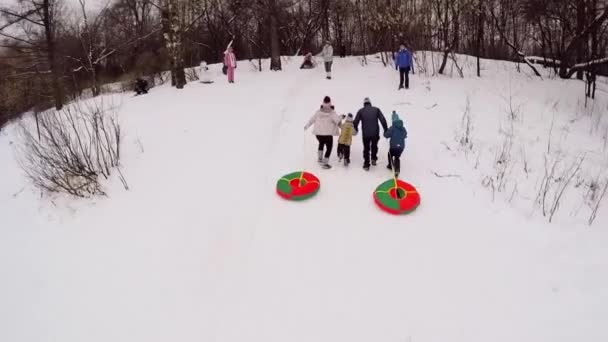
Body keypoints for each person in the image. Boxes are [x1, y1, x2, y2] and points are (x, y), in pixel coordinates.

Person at [304, 96, 341, 169]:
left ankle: (320, 158)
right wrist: (341, 118)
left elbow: (312, 119)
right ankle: (325, 163)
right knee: (329, 147)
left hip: (318, 134)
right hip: (327, 134)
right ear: (330, 102)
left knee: (321, 142)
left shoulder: (318, 111)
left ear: (323, 102)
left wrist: (306, 126)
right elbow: (337, 121)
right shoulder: (332, 112)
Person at [353, 97, 388, 170]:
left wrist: (356, 129)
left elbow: (355, 121)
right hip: (375, 133)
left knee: (366, 148)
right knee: (374, 145)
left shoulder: (361, 111)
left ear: (364, 104)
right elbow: (383, 120)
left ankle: (366, 164)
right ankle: (373, 158)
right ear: (370, 103)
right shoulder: (376, 109)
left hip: (365, 134)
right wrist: (385, 129)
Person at [384, 111, 408, 177]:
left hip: (393, 146)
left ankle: (390, 165)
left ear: (393, 121)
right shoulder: (403, 128)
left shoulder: (392, 128)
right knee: (397, 157)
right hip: (401, 147)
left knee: (390, 154)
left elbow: (386, 135)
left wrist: (386, 132)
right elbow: (405, 135)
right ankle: (397, 169)